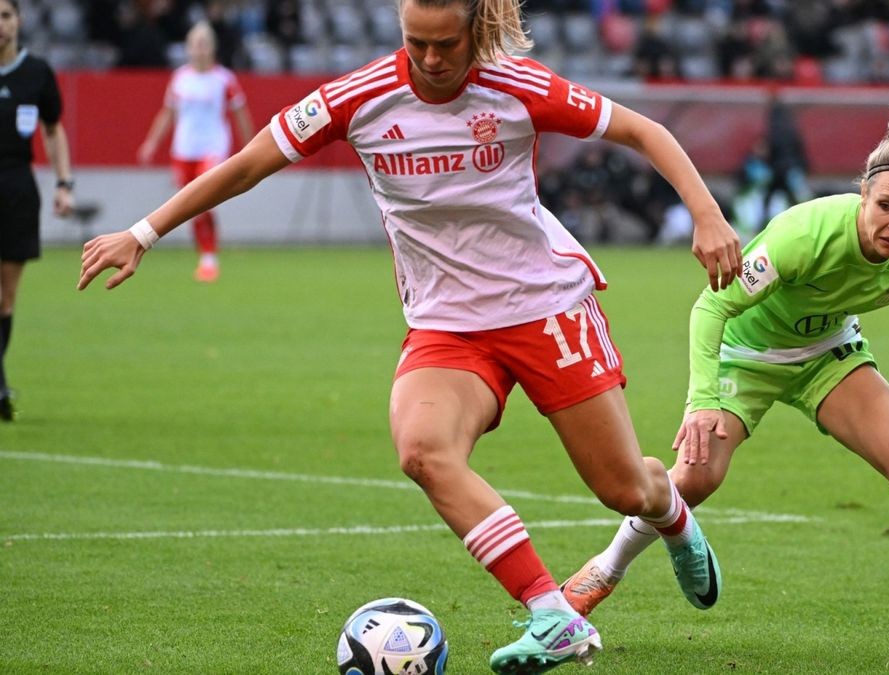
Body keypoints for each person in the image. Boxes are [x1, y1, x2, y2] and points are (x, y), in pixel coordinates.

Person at [78, 0, 743, 672]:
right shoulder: (357, 98)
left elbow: (642, 130)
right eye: (416, 43)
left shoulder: (517, 87)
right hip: (448, 326)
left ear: (474, 29)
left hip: (545, 309)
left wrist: (707, 214)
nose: (431, 60)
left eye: (446, 44)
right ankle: (551, 613)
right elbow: (251, 161)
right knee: (423, 450)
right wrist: (144, 232)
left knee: (626, 489)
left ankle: (674, 520)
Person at [561, 106, 889, 668]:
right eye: (885, 205)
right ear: (862, 194)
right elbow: (712, 306)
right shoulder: (805, 232)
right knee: (695, 481)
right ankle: (604, 568)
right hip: (747, 354)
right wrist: (703, 401)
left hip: (828, 356)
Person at [0, 0, 75, 420]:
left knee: (5, 299)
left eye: (5, 15)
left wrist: (64, 184)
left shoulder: (36, 73)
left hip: (16, 189)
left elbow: (53, 130)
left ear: (18, 22)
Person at [138, 21, 253, 282]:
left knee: (204, 201)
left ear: (212, 48)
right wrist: (151, 143)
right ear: (188, 48)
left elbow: (240, 114)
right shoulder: (180, 79)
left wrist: (249, 147)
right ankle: (204, 254)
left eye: (204, 43)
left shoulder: (224, 79)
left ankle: (209, 257)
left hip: (213, 148)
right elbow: (168, 113)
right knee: (188, 205)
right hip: (184, 149)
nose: (199, 49)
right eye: (195, 44)